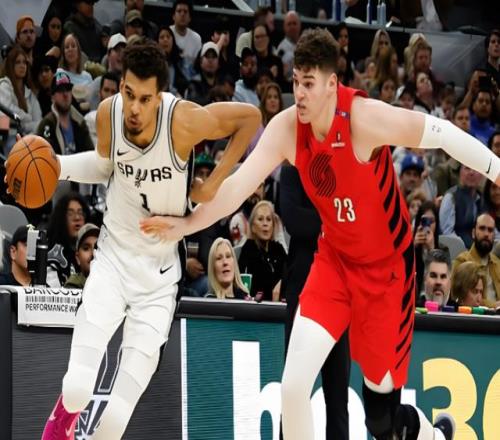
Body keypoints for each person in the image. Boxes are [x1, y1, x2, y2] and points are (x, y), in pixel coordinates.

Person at [139, 27, 500, 439]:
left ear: (332, 84)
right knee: (293, 388)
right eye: (296, 82)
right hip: (334, 263)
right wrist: (187, 224)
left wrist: (496, 170)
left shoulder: (365, 119)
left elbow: (444, 134)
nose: (300, 93)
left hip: (386, 272)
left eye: (308, 84)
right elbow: (237, 188)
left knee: (381, 422)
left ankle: (430, 434)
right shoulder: (287, 128)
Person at [34, 39, 260, 439]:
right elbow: (103, 166)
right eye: (128, 94)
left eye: (144, 99)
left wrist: (213, 182)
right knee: (76, 388)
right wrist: (56, 165)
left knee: (115, 423)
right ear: (120, 85)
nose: (134, 108)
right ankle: (60, 426)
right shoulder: (110, 113)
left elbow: (250, 118)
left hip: (158, 281)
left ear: (160, 97)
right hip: (113, 261)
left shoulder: (182, 120)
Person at [279, 164, 349, 439]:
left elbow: (358, 220)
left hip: (339, 289)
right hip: (302, 288)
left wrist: (330, 221)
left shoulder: (343, 170)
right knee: (294, 389)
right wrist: (334, 219)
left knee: (338, 393)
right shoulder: (292, 170)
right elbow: (294, 221)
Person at [452, 213, 500, 308]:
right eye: (482, 228)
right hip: (475, 315)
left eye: (490, 230)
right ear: (473, 233)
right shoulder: (462, 261)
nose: (486, 234)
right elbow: (457, 296)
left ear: (494, 236)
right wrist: (494, 305)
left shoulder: (498, 263)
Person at [64, 223, 100, 289]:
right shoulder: (72, 286)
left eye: (97, 248)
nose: (93, 253)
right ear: (78, 258)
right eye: (86, 248)